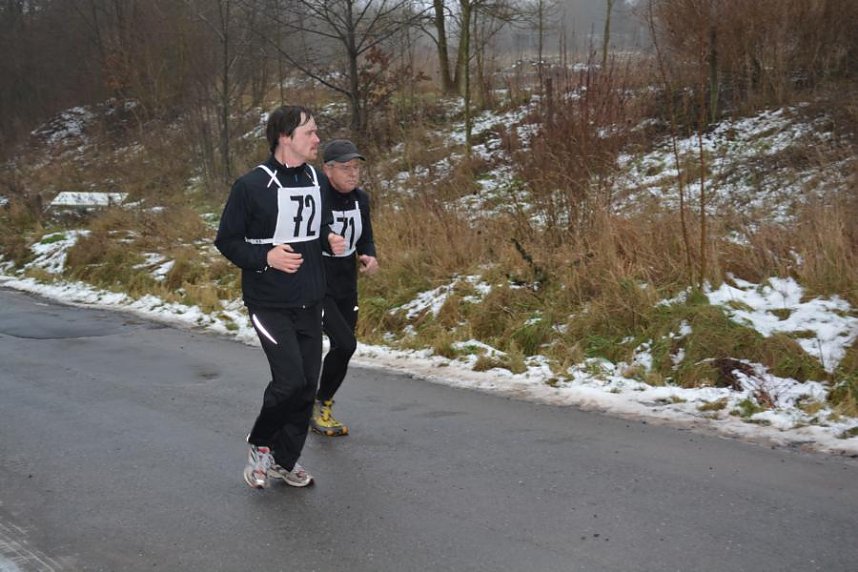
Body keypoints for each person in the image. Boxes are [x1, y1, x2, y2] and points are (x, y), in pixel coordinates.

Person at [215, 105, 346, 489]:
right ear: (285, 137)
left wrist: (329, 239)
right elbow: (227, 241)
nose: (317, 139)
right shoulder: (251, 186)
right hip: (269, 302)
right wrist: (265, 257)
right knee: (288, 381)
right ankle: (260, 446)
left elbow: (318, 226)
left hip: (310, 299)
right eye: (310, 132)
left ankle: (284, 461)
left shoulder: (315, 180)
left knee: (307, 385)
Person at [311, 139, 379, 437]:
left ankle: (319, 403)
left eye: (356, 168)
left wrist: (369, 255)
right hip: (317, 284)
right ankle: (314, 403)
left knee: (343, 346)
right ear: (328, 170)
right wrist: (325, 237)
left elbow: (365, 237)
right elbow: (307, 231)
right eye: (346, 168)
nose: (353, 174)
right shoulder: (316, 196)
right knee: (345, 343)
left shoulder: (360, 199)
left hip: (346, 284)